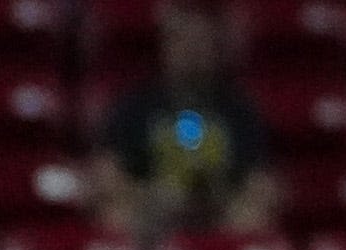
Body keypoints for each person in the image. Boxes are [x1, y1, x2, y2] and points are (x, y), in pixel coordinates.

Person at [90, 1, 277, 236]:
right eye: (183, 41)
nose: (192, 51)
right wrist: (153, 197)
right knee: (116, 214)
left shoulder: (239, 112)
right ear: (165, 47)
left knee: (253, 215)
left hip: (220, 216)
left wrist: (221, 198)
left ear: (215, 50)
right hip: (151, 212)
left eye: (201, 42)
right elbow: (108, 174)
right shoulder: (135, 107)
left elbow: (261, 181)